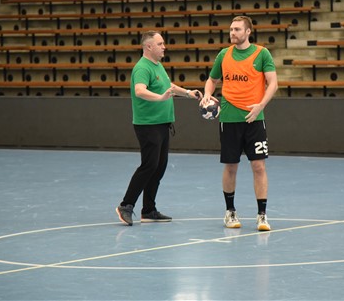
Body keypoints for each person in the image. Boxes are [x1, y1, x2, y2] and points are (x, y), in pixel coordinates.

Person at [201, 16, 278, 231]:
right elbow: (212, 80)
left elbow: (273, 83)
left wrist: (260, 106)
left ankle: (262, 215)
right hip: (229, 118)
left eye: (237, 29)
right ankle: (230, 211)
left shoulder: (262, 53)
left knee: (259, 166)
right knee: (231, 166)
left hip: (254, 118)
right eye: (231, 29)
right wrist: (207, 94)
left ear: (248, 32)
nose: (232, 33)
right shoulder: (224, 55)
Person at [116, 30, 202, 226]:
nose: (164, 47)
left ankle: (148, 210)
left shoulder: (157, 66)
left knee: (158, 167)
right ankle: (126, 205)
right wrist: (161, 98)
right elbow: (139, 90)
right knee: (149, 166)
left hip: (162, 124)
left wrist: (188, 93)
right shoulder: (142, 68)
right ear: (149, 46)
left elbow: (169, 86)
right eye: (160, 44)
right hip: (148, 125)